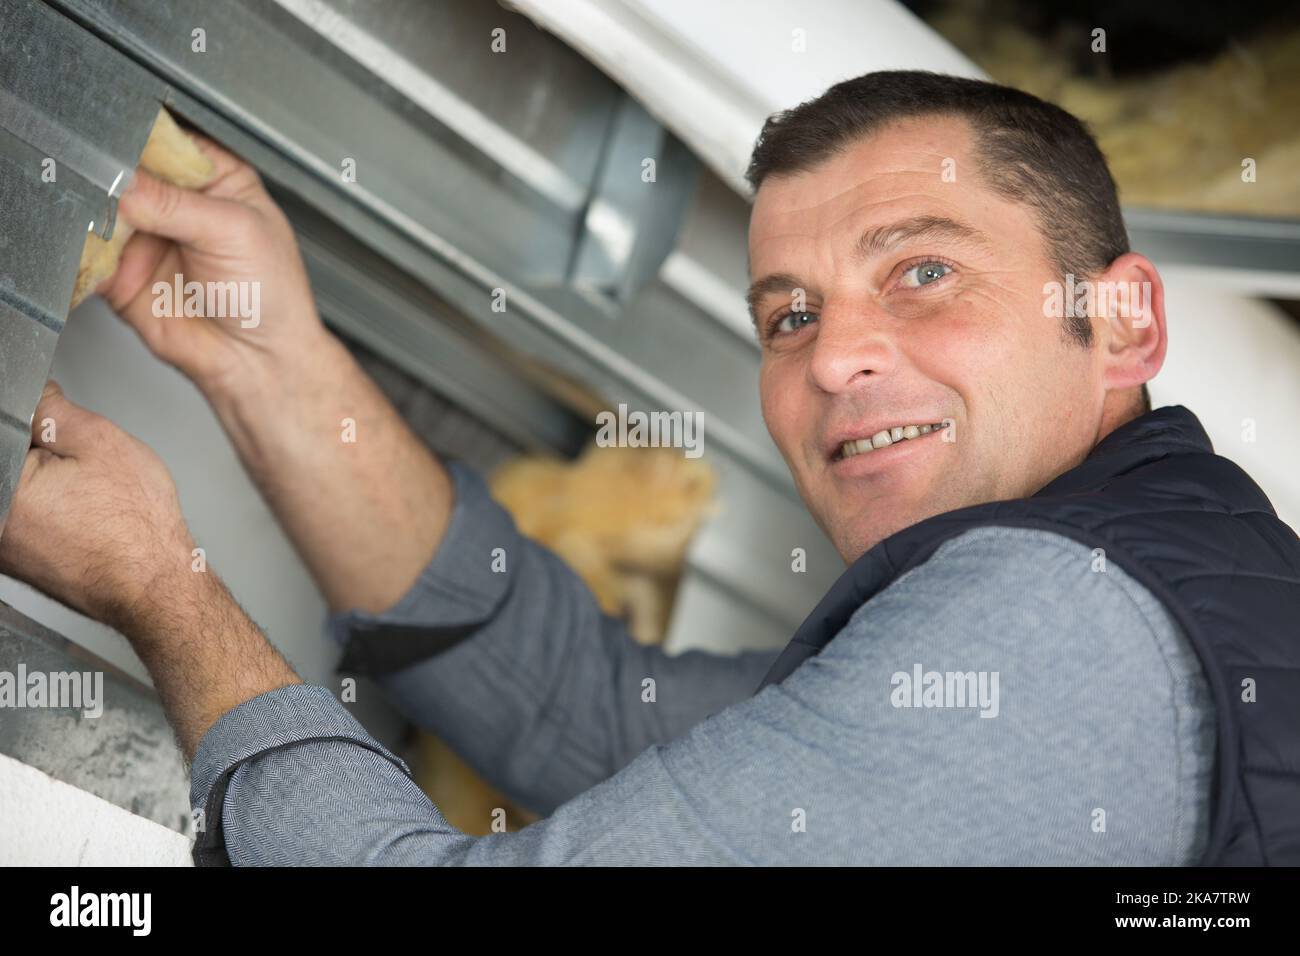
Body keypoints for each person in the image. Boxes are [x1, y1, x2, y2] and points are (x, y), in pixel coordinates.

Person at [2, 72, 1296, 865]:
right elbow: (590, 718)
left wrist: (158, 583)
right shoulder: (1137, 569)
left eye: (923, 273)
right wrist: (272, 364)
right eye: (790, 314)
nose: (836, 356)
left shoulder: (1063, 638)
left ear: (1122, 319)